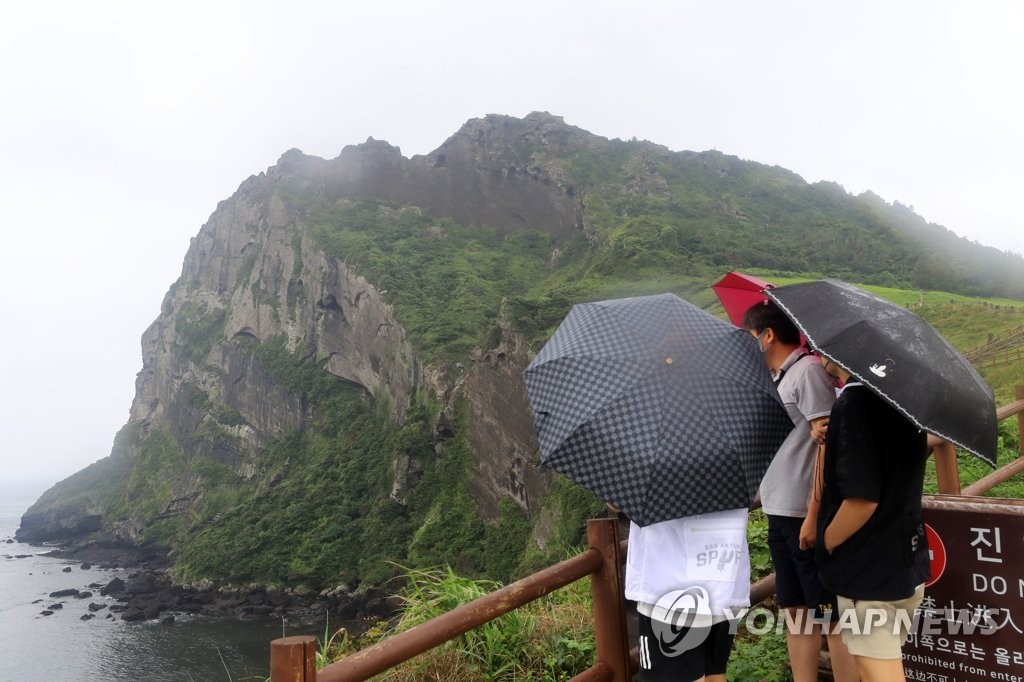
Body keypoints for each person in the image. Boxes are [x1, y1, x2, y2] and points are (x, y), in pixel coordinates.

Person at [741, 301, 858, 682]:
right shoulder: (778, 378)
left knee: (830, 618)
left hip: (804, 515)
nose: (748, 344)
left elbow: (827, 441)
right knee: (795, 611)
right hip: (778, 512)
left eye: (750, 337)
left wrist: (813, 515)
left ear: (767, 335)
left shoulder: (807, 372)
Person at [815, 357, 930, 682]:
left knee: (881, 673)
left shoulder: (854, 403)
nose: (817, 354)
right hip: (904, 562)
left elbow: (861, 502)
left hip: (868, 572)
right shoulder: (899, 398)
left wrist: (827, 542)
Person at [624, 508, 750, 682]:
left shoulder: (653, 481)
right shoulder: (735, 480)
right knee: (714, 675)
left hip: (667, 591)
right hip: (725, 582)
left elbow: (619, 502)